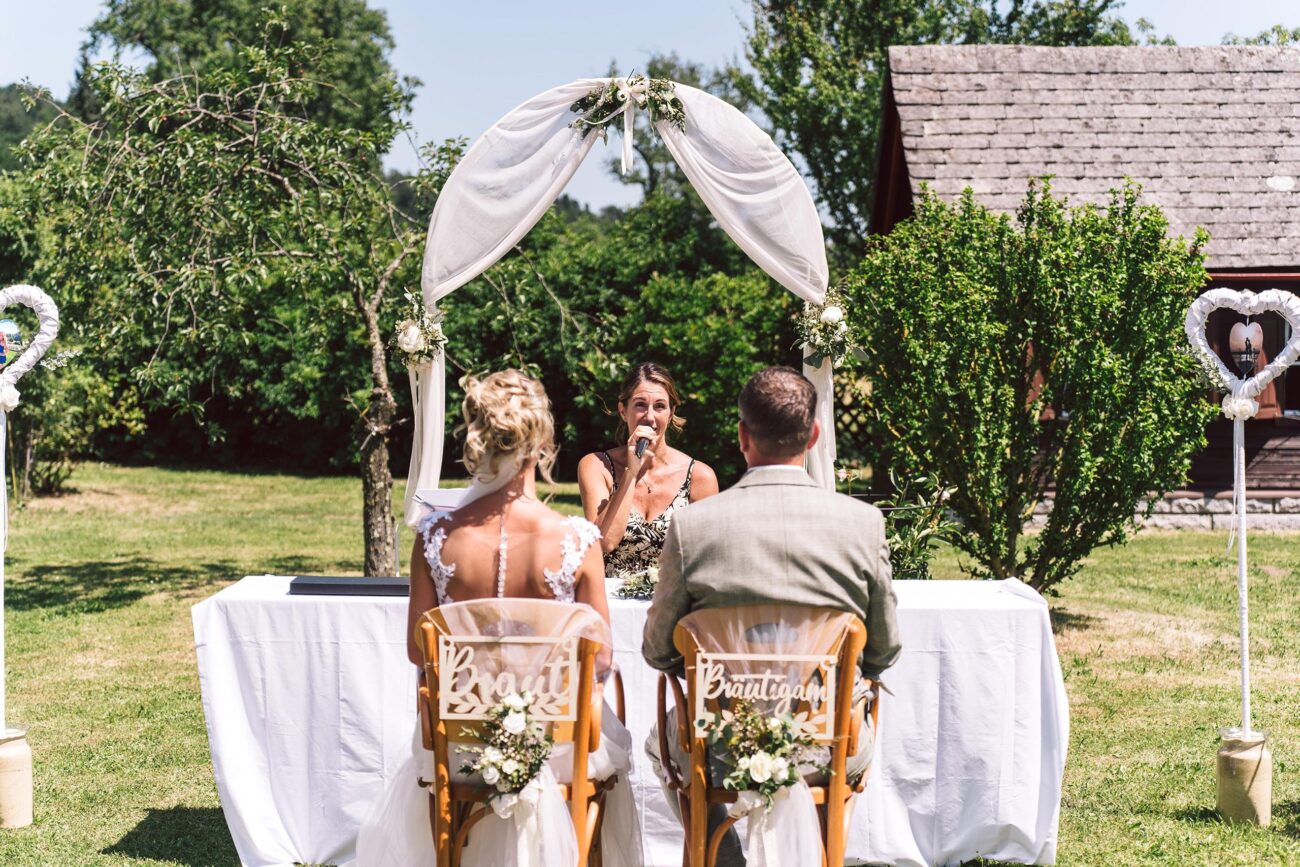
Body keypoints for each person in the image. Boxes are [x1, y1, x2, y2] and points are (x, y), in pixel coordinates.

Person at [356, 369, 640, 867]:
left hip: (460, 742)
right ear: (542, 440)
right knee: (604, 746)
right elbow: (601, 661)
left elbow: (417, 649)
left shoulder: (435, 536)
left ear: (479, 437)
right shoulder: (577, 540)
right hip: (555, 741)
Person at [642, 366, 902, 867]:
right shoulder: (861, 524)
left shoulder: (694, 526)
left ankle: (727, 861)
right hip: (826, 739)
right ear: (814, 435)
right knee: (851, 735)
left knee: (663, 747)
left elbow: (658, 650)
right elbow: (885, 650)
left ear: (742, 436)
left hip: (717, 742)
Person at [578, 362, 719, 581]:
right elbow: (603, 544)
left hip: (672, 605)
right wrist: (630, 473)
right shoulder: (596, 466)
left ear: (672, 412)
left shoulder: (700, 477)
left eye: (660, 406)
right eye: (640, 405)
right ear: (623, 411)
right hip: (611, 605)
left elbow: (708, 560)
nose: (650, 417)